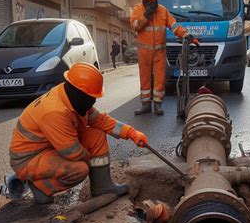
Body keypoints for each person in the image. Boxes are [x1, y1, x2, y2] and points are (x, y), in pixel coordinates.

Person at [9, 62, 148, 204]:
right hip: (29, 158)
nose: (93, 101)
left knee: (96, 135)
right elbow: (73, 153)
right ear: (80, 92)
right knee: (80, 169)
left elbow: (100, 120)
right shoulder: (55, 112)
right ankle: (40, 187)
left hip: (50, 146)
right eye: (92, 97)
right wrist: (91, 162)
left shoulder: (72, 97)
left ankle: (102, 186)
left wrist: (131, 133)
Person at [130, 0, 198, 116]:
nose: (153, 4)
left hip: (159, 52)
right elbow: (136, 26)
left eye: (155, 1)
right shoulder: (138, 10)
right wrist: (146, 15)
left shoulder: (162, 11)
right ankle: (145, 105)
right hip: (144, 52)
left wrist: (185, 35)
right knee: (144, 78)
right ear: (144, 0)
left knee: (160, 78)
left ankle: (158, 104)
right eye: (150, 1)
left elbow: (174, 25)